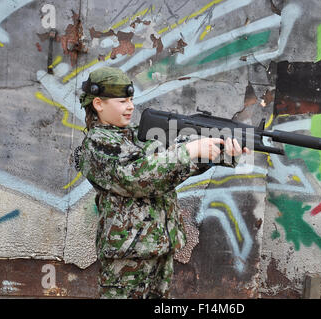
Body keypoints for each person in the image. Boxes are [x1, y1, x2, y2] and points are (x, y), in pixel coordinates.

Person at [74, 66, 251, 299]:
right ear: (98, 103)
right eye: (122, 101)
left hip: (159, 247)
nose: (130, 106)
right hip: (128, 255)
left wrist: (219, 152)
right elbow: (135, 177)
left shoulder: (134, 136)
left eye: (131, 100)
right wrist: (188, 151)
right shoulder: (97, 144)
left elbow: (166, 172)